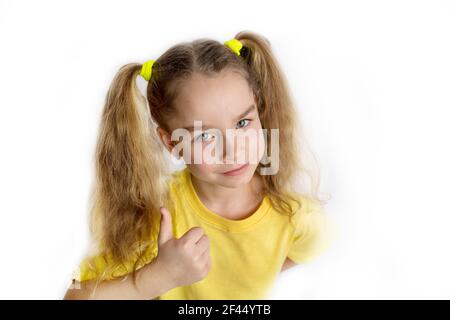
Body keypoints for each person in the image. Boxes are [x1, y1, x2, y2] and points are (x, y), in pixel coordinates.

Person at [64, 30, 335, 300]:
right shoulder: (153, 215)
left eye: (242, 123)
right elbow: (74, 295)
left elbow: (303, 252)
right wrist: (160, 276)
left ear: (258, 107)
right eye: (205, 136)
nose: (232, 150)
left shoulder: (295, 215)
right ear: (172, 143)